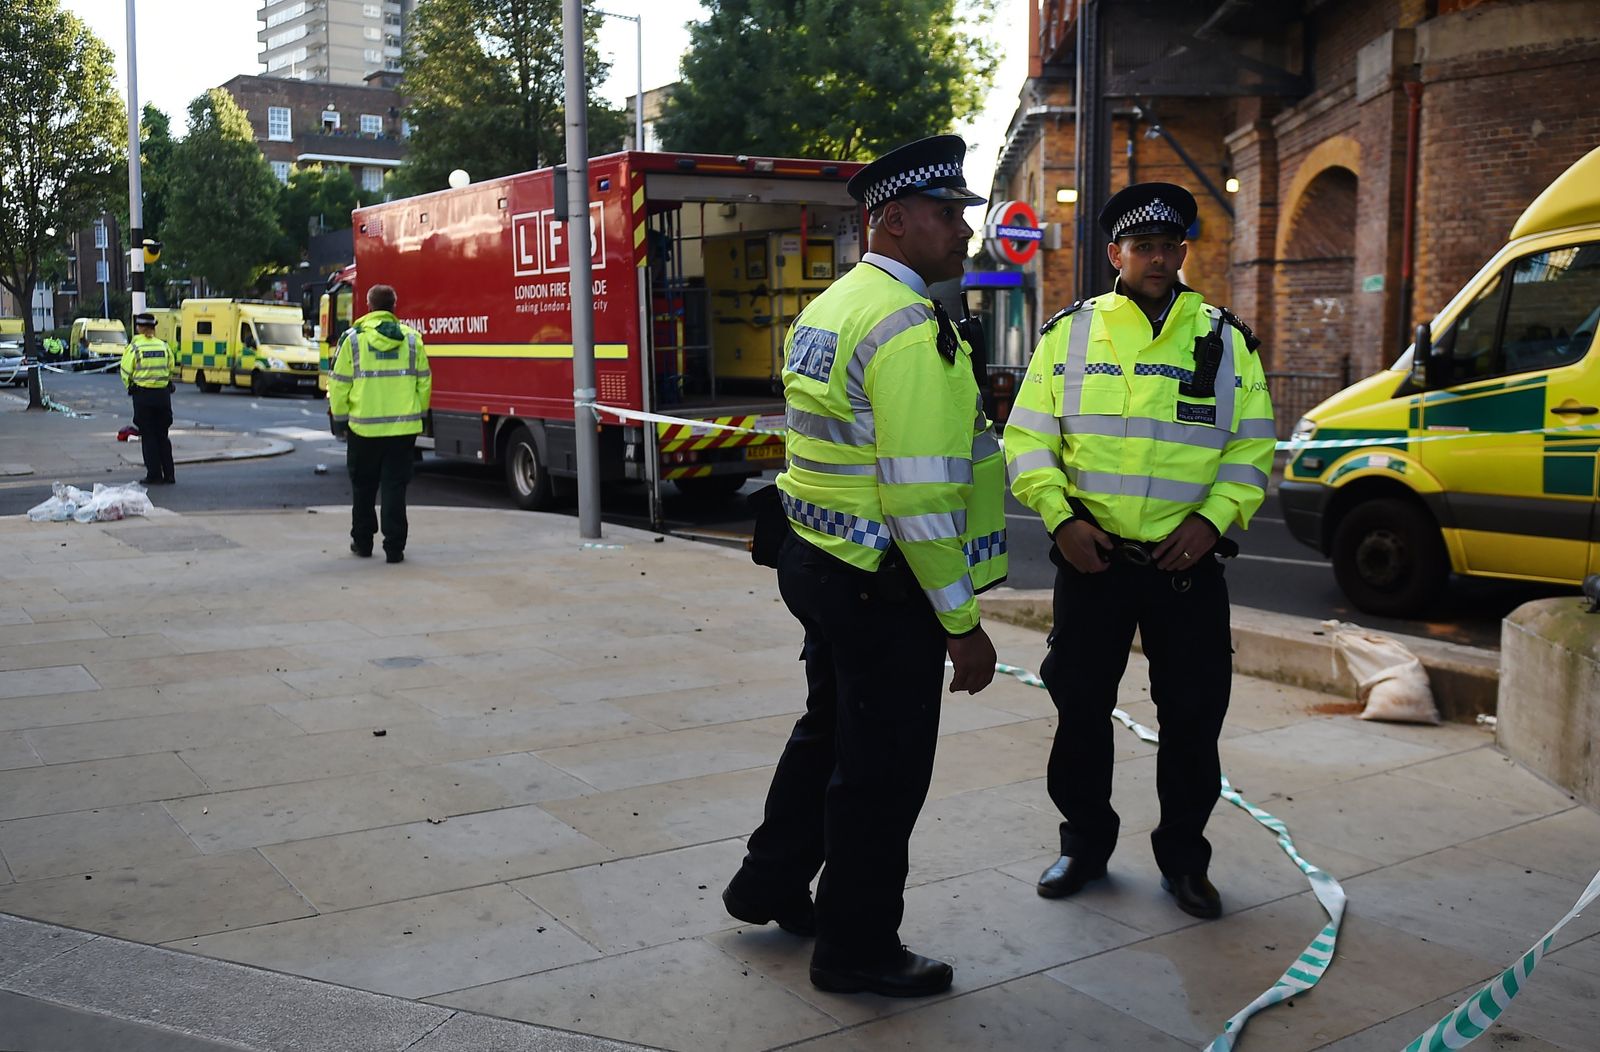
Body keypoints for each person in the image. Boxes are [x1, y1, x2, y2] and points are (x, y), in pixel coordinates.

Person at [722, 134, 1007, 998]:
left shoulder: (833, 305)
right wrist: (964, 627)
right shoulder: (908, 329)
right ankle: (856, 948)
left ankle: (767, 882)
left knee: (827, 737)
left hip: (819, 561)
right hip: (882, 585)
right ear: (891, 221)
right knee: (880, 775)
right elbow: (919, 500)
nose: (963, 229)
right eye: (947, 214)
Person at [1003, 183, 1276, 920]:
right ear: (1115, 253)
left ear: (1183, 251)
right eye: (1143, 246)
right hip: (1093, 563)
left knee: (1193, 720)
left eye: (1169, 245)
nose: (1157, 258)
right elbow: (1027, 439)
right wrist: (1060, 522)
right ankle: (1084, 846)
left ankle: (1185, 860)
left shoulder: (1225, 337)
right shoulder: (1070, 333)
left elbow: (1253, 446)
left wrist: (1215, 522)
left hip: (1187, 569)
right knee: (1080, 710)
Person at [328, 284, 430, 564]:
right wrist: (418, 414)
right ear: (394, 307)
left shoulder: (353, 340)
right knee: (395, 487)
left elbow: (338, 385)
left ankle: (362, 542)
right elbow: (424, 381)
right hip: (402, 431)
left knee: (363, 486)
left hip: (363, 429)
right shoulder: (412, 339)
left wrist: (340, 419)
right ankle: (394, 548)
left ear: (369, 307)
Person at [122, 311, 176, 485]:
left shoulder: (134, 348)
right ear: (153, 328)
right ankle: (169, 474)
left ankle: (154, 474)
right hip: (163, 397)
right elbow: (170, 368)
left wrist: (130, 386)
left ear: (139, 327)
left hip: (143, 396)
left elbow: (125, 371)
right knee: (162, 435)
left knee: (149, 436)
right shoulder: (163, 346)